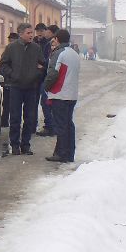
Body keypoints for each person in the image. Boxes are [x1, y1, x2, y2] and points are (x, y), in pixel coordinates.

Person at [0, 22, 45, 155]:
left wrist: (36, 74)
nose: (31, 35)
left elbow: (42, 65)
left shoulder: (36, 48)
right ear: (21, 34)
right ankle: (15, 145)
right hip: (16, 87)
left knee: (29, 117)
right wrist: (12, 75)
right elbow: (3, 65)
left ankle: (26, 145)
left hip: (31, 87)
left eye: (32, 33)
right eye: (28, 33)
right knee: (15, 117)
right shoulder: (11, 48)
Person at [44, 28, 80, 163]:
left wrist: (46, 87)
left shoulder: (59, 53)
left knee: (61, 126)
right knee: (68, 124)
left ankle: (61, 153)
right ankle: (69, 153)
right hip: (72, 94)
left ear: (57, 39)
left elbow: (53, 73)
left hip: (60, 94)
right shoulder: (74, 54)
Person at [36, 23, 57, 137]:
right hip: (46, 77)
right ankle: (51, 126)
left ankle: (50, 127)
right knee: (47, 103)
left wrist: (43, 67)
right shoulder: (48, 44)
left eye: (47, 31)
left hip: (48, 78)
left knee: (46, 102)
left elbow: (50, 63)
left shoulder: (51, 45)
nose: (45, 33)